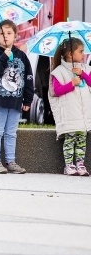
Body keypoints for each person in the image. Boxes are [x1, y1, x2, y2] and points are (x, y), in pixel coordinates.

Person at [0, 20, 33, 174]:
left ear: (16, 36)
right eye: (2, 34)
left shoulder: (22, 56)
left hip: (16, 101)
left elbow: (28, 78)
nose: (5, 37)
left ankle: (10, 161)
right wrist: (4, 56)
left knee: (11, 133)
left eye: (9, 33)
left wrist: (28, 99)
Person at [48, 37, 91, 176]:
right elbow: (56, 91)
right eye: (81, 51)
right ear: (70, 54)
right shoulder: (59, 72)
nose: (83, 54)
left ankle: (80, 164)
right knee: (70, 139)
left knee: (81, 141)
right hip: (70, 113)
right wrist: (71, 83)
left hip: (82, 114)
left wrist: (82, 74)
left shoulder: (85, 68)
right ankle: (69, 165)